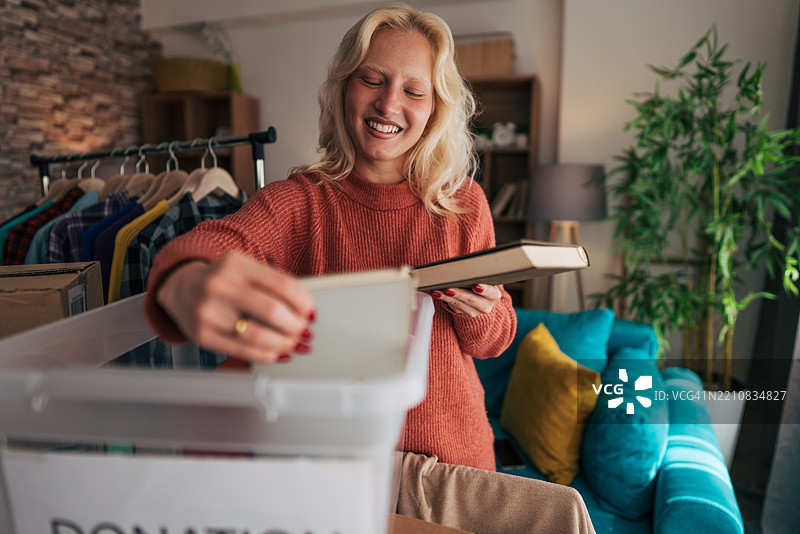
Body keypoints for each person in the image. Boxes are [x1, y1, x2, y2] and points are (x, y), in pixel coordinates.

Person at [145, 4, 595, 533]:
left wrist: (485, 312)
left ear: (435, 107)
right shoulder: (299, 202)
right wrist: (188, 282)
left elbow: (494, 340)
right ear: (344, 88)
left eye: (413, 90)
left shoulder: (463, 203)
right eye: (372, 79)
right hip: (338, 468)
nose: (388, 103)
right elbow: (208, 244)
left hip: (455, 468)